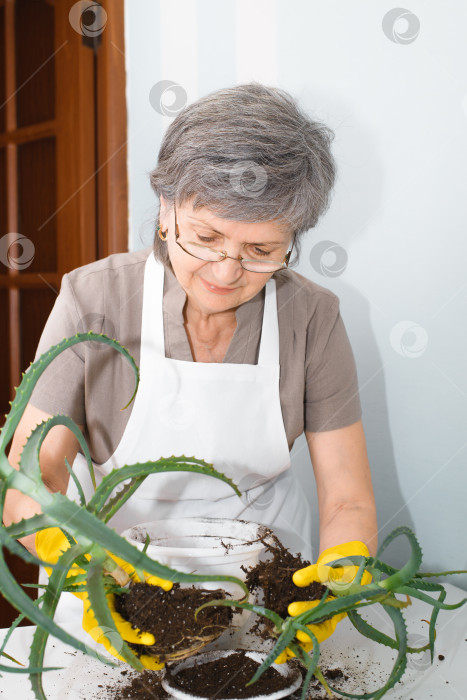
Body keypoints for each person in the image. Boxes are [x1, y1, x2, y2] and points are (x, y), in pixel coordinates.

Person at [4, 83, 377, 664]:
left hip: (268, 598)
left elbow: (347, 497)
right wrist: (78, 568)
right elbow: (31, 478)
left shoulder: (313, 316)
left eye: (260, 251)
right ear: (165, 210)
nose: (226, 271)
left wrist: (339, 584)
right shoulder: (95, 299)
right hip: (117, 590)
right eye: (205, 238)